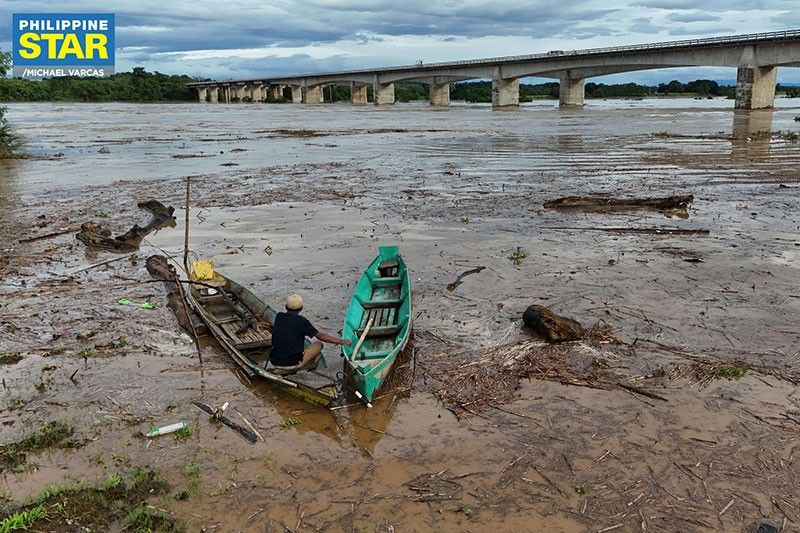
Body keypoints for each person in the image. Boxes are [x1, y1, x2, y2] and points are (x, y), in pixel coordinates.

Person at [269, 294, 351, 375]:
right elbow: (320, 336)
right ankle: (308, 366)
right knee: (318, 344)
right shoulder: (302, 321)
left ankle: (287, 367)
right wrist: (340, 341)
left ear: (286, 307)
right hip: (292, 363)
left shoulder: (279, 316)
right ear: (301, 308)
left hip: (274, 361)